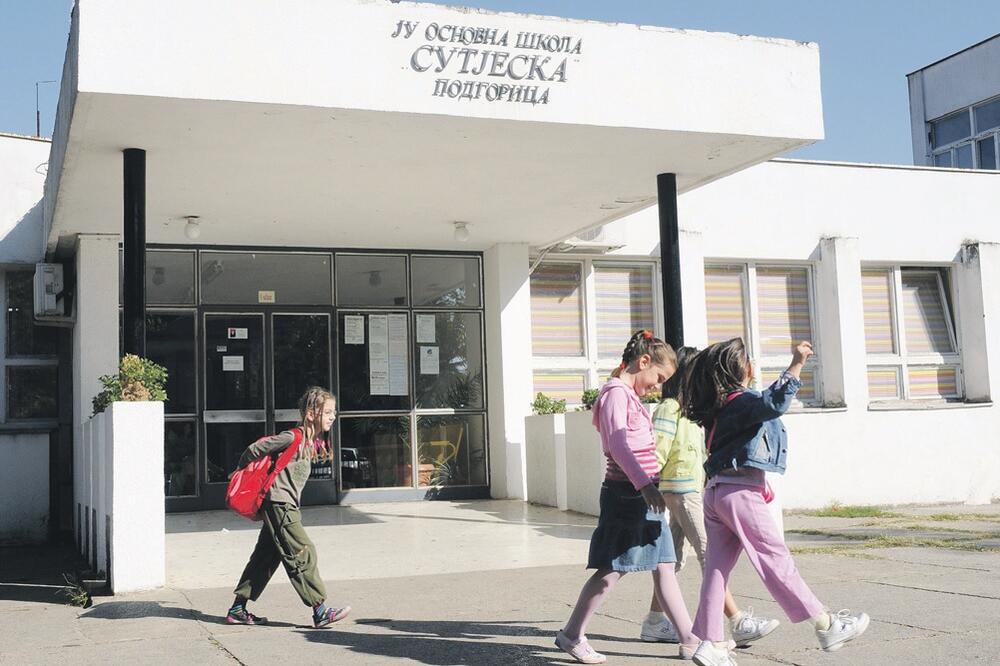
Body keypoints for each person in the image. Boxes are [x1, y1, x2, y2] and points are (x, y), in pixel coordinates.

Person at [681, 339, 868, 666]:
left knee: (715, 573)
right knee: (775, 560)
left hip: (717, 493)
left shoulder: (720, 408)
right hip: (738, 493)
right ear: (742, 370)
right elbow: (774, 403)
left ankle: (710, 644)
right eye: (748, 361)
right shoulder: (743, 401)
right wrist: (796, 364)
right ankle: (827, 626)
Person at [556, 330, 699, 664]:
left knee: (665, 566)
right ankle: (572, 635)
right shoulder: (616, 394)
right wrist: (645, 486)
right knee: (611, 571)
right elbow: (617, 445)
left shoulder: (628, 396)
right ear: (644, 361)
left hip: (640, 495)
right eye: (658, 377)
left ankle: (690, 639)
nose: (658, 386)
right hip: (627, 497)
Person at [640, 347, 779, 650]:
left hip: (690, 489)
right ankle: (737, 622)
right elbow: (657, 450)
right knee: (710, 555)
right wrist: (648, 486)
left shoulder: (693, 409)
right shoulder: (669, 408)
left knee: (670, 560)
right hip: (679, 490)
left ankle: (654, 621)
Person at [226, 386, 350, 629]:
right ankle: (320, 610)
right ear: (311, 413)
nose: (332, 417)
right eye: (327, 412)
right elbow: (254, 449)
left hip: (284, 504)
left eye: (333, 412)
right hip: (279, 504)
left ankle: (238, 609)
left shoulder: (311, 442)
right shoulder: (293, 436)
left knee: (265, 558)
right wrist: (241, 473)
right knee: (303, 551)